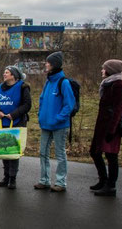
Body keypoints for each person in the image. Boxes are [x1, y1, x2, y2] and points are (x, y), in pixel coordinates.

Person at [34, 51, 76, 192]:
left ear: (54, 65)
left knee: (60, 154)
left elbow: (69, 105)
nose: (46, 64)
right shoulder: (48, 82)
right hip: (45, 124)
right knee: (43, 152)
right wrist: (41, 116)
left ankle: (60, 182)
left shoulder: (63, 83)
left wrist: (58, 118)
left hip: (59, 125)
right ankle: (44, 180)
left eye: (48, 62)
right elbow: (41, 100)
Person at [0, 65, 31, 190]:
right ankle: (6, 176)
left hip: (16, 122)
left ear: (13, 75)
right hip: (0, 122)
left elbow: (27, 105)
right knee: (4, 151)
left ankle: (13, 178)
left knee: (13, 152)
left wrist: (14, 114)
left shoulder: (22, 87)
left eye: (6, 72)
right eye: (4, 72)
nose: (4, 74)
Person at [90, 59, 122, 197]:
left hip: (111, 126)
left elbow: (118, 109)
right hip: (101, 125)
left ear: (110, 70)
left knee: (111, 156)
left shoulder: (119, 85)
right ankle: (103, 180)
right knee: (94, 151)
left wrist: (112, 130)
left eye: (104, 68)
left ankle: (111, 186)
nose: (102, 70)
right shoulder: (107, 84)